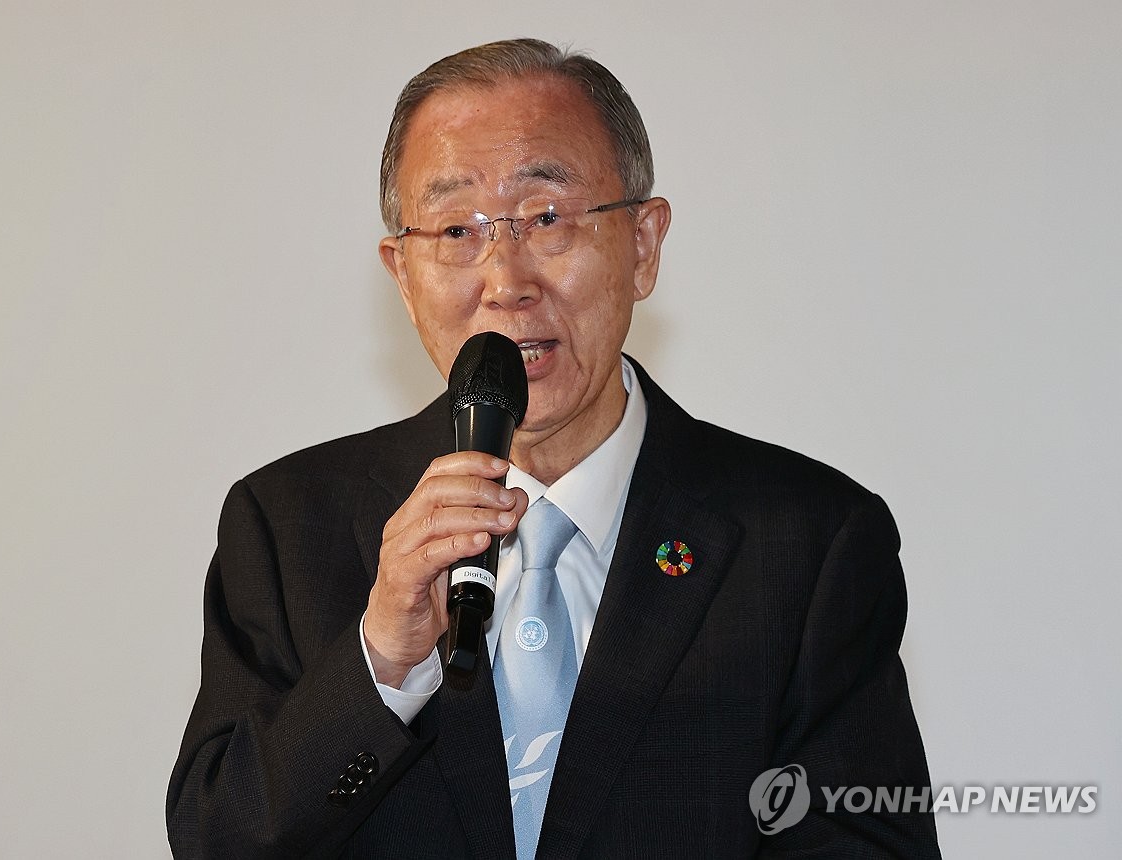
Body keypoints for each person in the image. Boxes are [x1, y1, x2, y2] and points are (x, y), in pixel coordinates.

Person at [167, 38, 940, 858]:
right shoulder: (288, 527)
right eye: (457, 229)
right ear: (404, 276)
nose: (506, 281)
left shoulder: (808, 545)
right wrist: (381, 665)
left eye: (546, 219)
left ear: (643, 244)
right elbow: (220, 843)